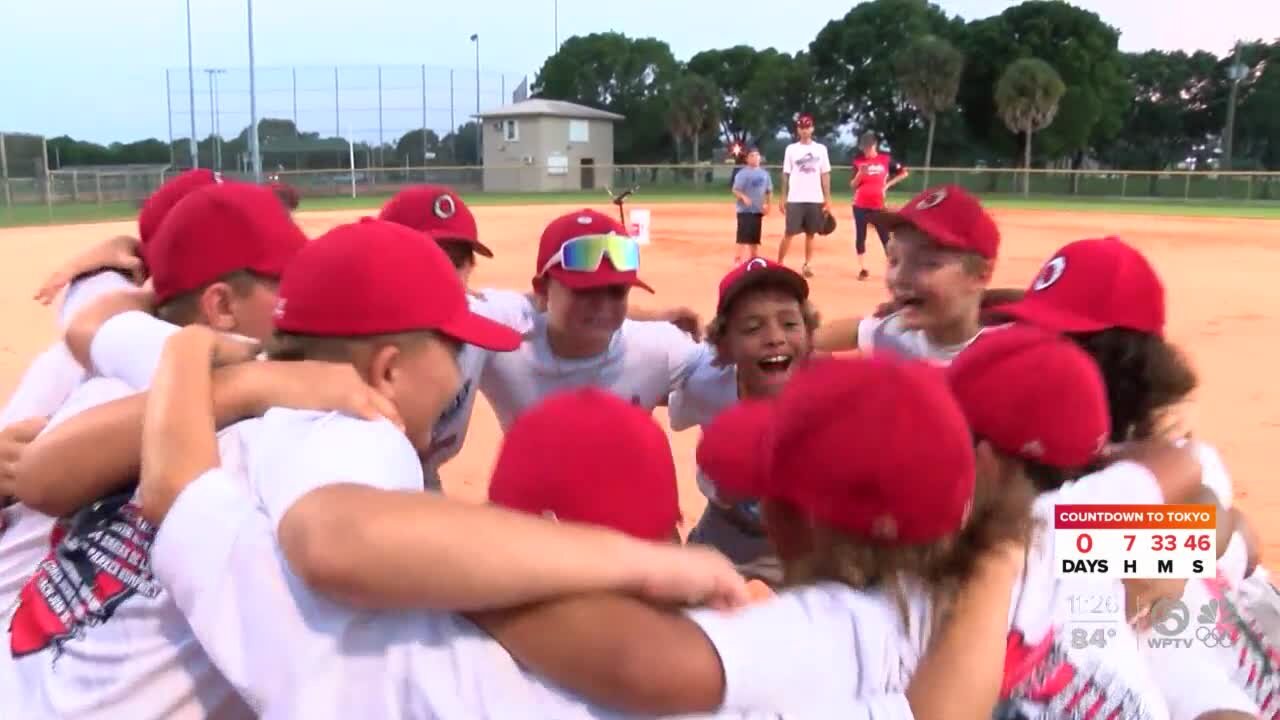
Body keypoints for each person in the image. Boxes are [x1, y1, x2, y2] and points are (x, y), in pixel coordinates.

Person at [123, 218, 748, 718]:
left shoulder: (244, 438)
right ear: (389, 370)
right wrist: (649, 564)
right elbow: (342, 538)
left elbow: (172, 491)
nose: (463, 370)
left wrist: (187, 350)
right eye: (456, 348)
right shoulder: (364, 438)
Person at [1, 181, 309, 719]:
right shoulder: (223, 389)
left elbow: (91, 319)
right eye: (288, 283)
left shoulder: (109, 349)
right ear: (220, 304)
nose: (300, 301)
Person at [991, 236, 1278, 715]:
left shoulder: (1069, 512)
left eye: (1063, 346)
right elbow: (1227, 537)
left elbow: (1203, 547)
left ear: (1122, 363)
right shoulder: (1178, 468)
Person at [668, 257, 815, 583]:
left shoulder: (830, 389)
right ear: (724, 345)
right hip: (727, 527)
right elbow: (670, 404)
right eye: (752, 327)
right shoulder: (704, 383)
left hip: (806, 538)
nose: (775, 337)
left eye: (790, 324)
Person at [814, 184, 1000, 364]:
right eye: (894, 260)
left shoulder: (1010, 354)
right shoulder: (892, 334)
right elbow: (852, 332)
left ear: (981, 275)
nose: (899, 277)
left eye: (927, 263)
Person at [777, 113, 831, 277]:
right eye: (802, 127)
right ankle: (779, 263)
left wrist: (827, 198)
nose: (805, 130)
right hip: (795, 198)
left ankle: (807, 264)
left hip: (815, 198)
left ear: (812, 128)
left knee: (810, 234)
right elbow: (785, 174)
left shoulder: (820, 149)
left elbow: (825, 174)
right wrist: (783, 196)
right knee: (789, 232)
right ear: (798, 130)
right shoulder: (791, 149)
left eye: (808, 127)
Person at [850, 130, 908, 281]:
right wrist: (860, 174)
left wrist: (886, 186)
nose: (866, 151)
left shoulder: (885, 159)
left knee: (885, 237)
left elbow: (903, 173)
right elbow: (853, 185)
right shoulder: (858, 162)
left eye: (868, 147)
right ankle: (862, 269)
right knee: (860, 235)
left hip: (878, 205)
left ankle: (894, 268)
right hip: (860, 204)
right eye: (864, 148)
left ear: (874, 145)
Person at [729, 147, 772, 264]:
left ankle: (754, 259)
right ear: (747, 159)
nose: (755, 158)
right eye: (752, 156)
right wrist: (743, 197)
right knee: (743, 237)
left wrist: (768, 205)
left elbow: (769, 191)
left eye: (757, 155)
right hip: (744, 210)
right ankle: (737, 260)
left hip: (757, 210)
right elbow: (735, 190)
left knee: (754, 238)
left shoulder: (765, 174)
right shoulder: (742, 174)